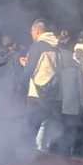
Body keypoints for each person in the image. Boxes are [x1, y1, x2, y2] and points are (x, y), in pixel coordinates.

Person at [21, 19, 61, 152]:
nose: (31, 34)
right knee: (47, 126)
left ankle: (26, 158)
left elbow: (30, 70)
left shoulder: (37, 46)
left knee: (30, 128)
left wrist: (21, 86)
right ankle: (46, 152)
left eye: (31, 31)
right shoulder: (55, 47)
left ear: (37, 31)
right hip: (51, 92)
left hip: (36, 93)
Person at [0, 35, 25, 144]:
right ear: (14, 44)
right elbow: (21, 79)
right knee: (13, 135)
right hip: (13, 100)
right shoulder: (16, 56)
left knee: (1, 133)